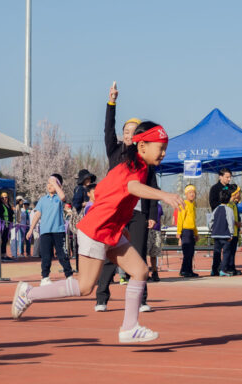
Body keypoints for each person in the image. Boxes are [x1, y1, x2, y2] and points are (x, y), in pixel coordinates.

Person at [12, 122, 182, 343]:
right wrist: (164, 195)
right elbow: (132, 188)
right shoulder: (133, 168)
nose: (164, 152)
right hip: (96, 231)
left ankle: (129, 327)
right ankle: (28, 293)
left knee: (140, 270)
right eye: (160, 147)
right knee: (84, 287)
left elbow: (103, 193)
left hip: (110, 231)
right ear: (142, 147)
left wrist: (121, 228)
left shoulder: (137, 166)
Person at [96, 82, 157, 313]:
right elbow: (107, 129)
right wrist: (112, 102)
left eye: (134, 131)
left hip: (139, 211)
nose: (130, 134)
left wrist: (152, 214)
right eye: (127, 131)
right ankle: (102, 297)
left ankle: (141, 300)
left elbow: (152, 185)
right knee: (112, 254)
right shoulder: (114, 150)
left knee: (139, 254)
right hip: (116, 210)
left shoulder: (146, 158)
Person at [27, 174, 73, 286]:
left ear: (58, 185)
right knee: (46, 256)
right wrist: (31, 229)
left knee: (63, 255)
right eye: (48, 183)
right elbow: (37, 214)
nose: (49, 185)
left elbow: (63, 197)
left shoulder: (59, 198)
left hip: (58, 231)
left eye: (52, 183)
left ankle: (69, 276)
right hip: (45, 232)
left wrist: (56, 184)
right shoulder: (43, 199)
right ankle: (45, 277)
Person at [210, 189, 236, 276]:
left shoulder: (216, 209)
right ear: (229, 199)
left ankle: (214, 270)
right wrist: (231, 233)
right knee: (226, 252)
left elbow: (210, 221)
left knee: (216, 252)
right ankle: (223, 269)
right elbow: (230, 222)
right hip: (225, 235)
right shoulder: (229, 210)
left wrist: (212, 230)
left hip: (216, 234)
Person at [177, 185, 199, 277]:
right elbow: (180, 219)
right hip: (185, 231)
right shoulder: (184, 204)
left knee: (191, 252)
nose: (192, 194)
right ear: (186, 194)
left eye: (193, 192)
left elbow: (193, 221)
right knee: (187, 252)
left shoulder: (193, 206)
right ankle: (185, 270)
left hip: (191, 232)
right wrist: (179, 232)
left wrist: (196, 233)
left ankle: (187, 270)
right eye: (190, 193)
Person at [227, 185, 242, 275]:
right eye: (239, 192)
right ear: (235, 194)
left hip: (235, 232)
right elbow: (229, 218)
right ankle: (228, 267)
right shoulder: (229, 204)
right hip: (230, 232)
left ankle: (232, 267)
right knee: (229, 251)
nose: (240, 194)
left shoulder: (234, 204)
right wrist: (237, 223)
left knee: (233, 251)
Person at [147, 202, 164, 282]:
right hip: (148, 230)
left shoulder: (159, 206)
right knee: (144, 252)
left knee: (154, 253)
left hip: (157, 231)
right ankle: (145, 273)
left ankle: (154, 272)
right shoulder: (147, 205)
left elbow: (159, 218)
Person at [0, 191, 14, 260]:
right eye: (2, 198)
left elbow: (11, 214)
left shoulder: (9, 205)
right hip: (3, 226)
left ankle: (4, 254)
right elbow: (0, 215)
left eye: (6, 197)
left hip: (8, 225)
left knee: (6, 240)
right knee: (3, 240)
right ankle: (2, 255)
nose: (4, 199)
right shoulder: (0, 206)